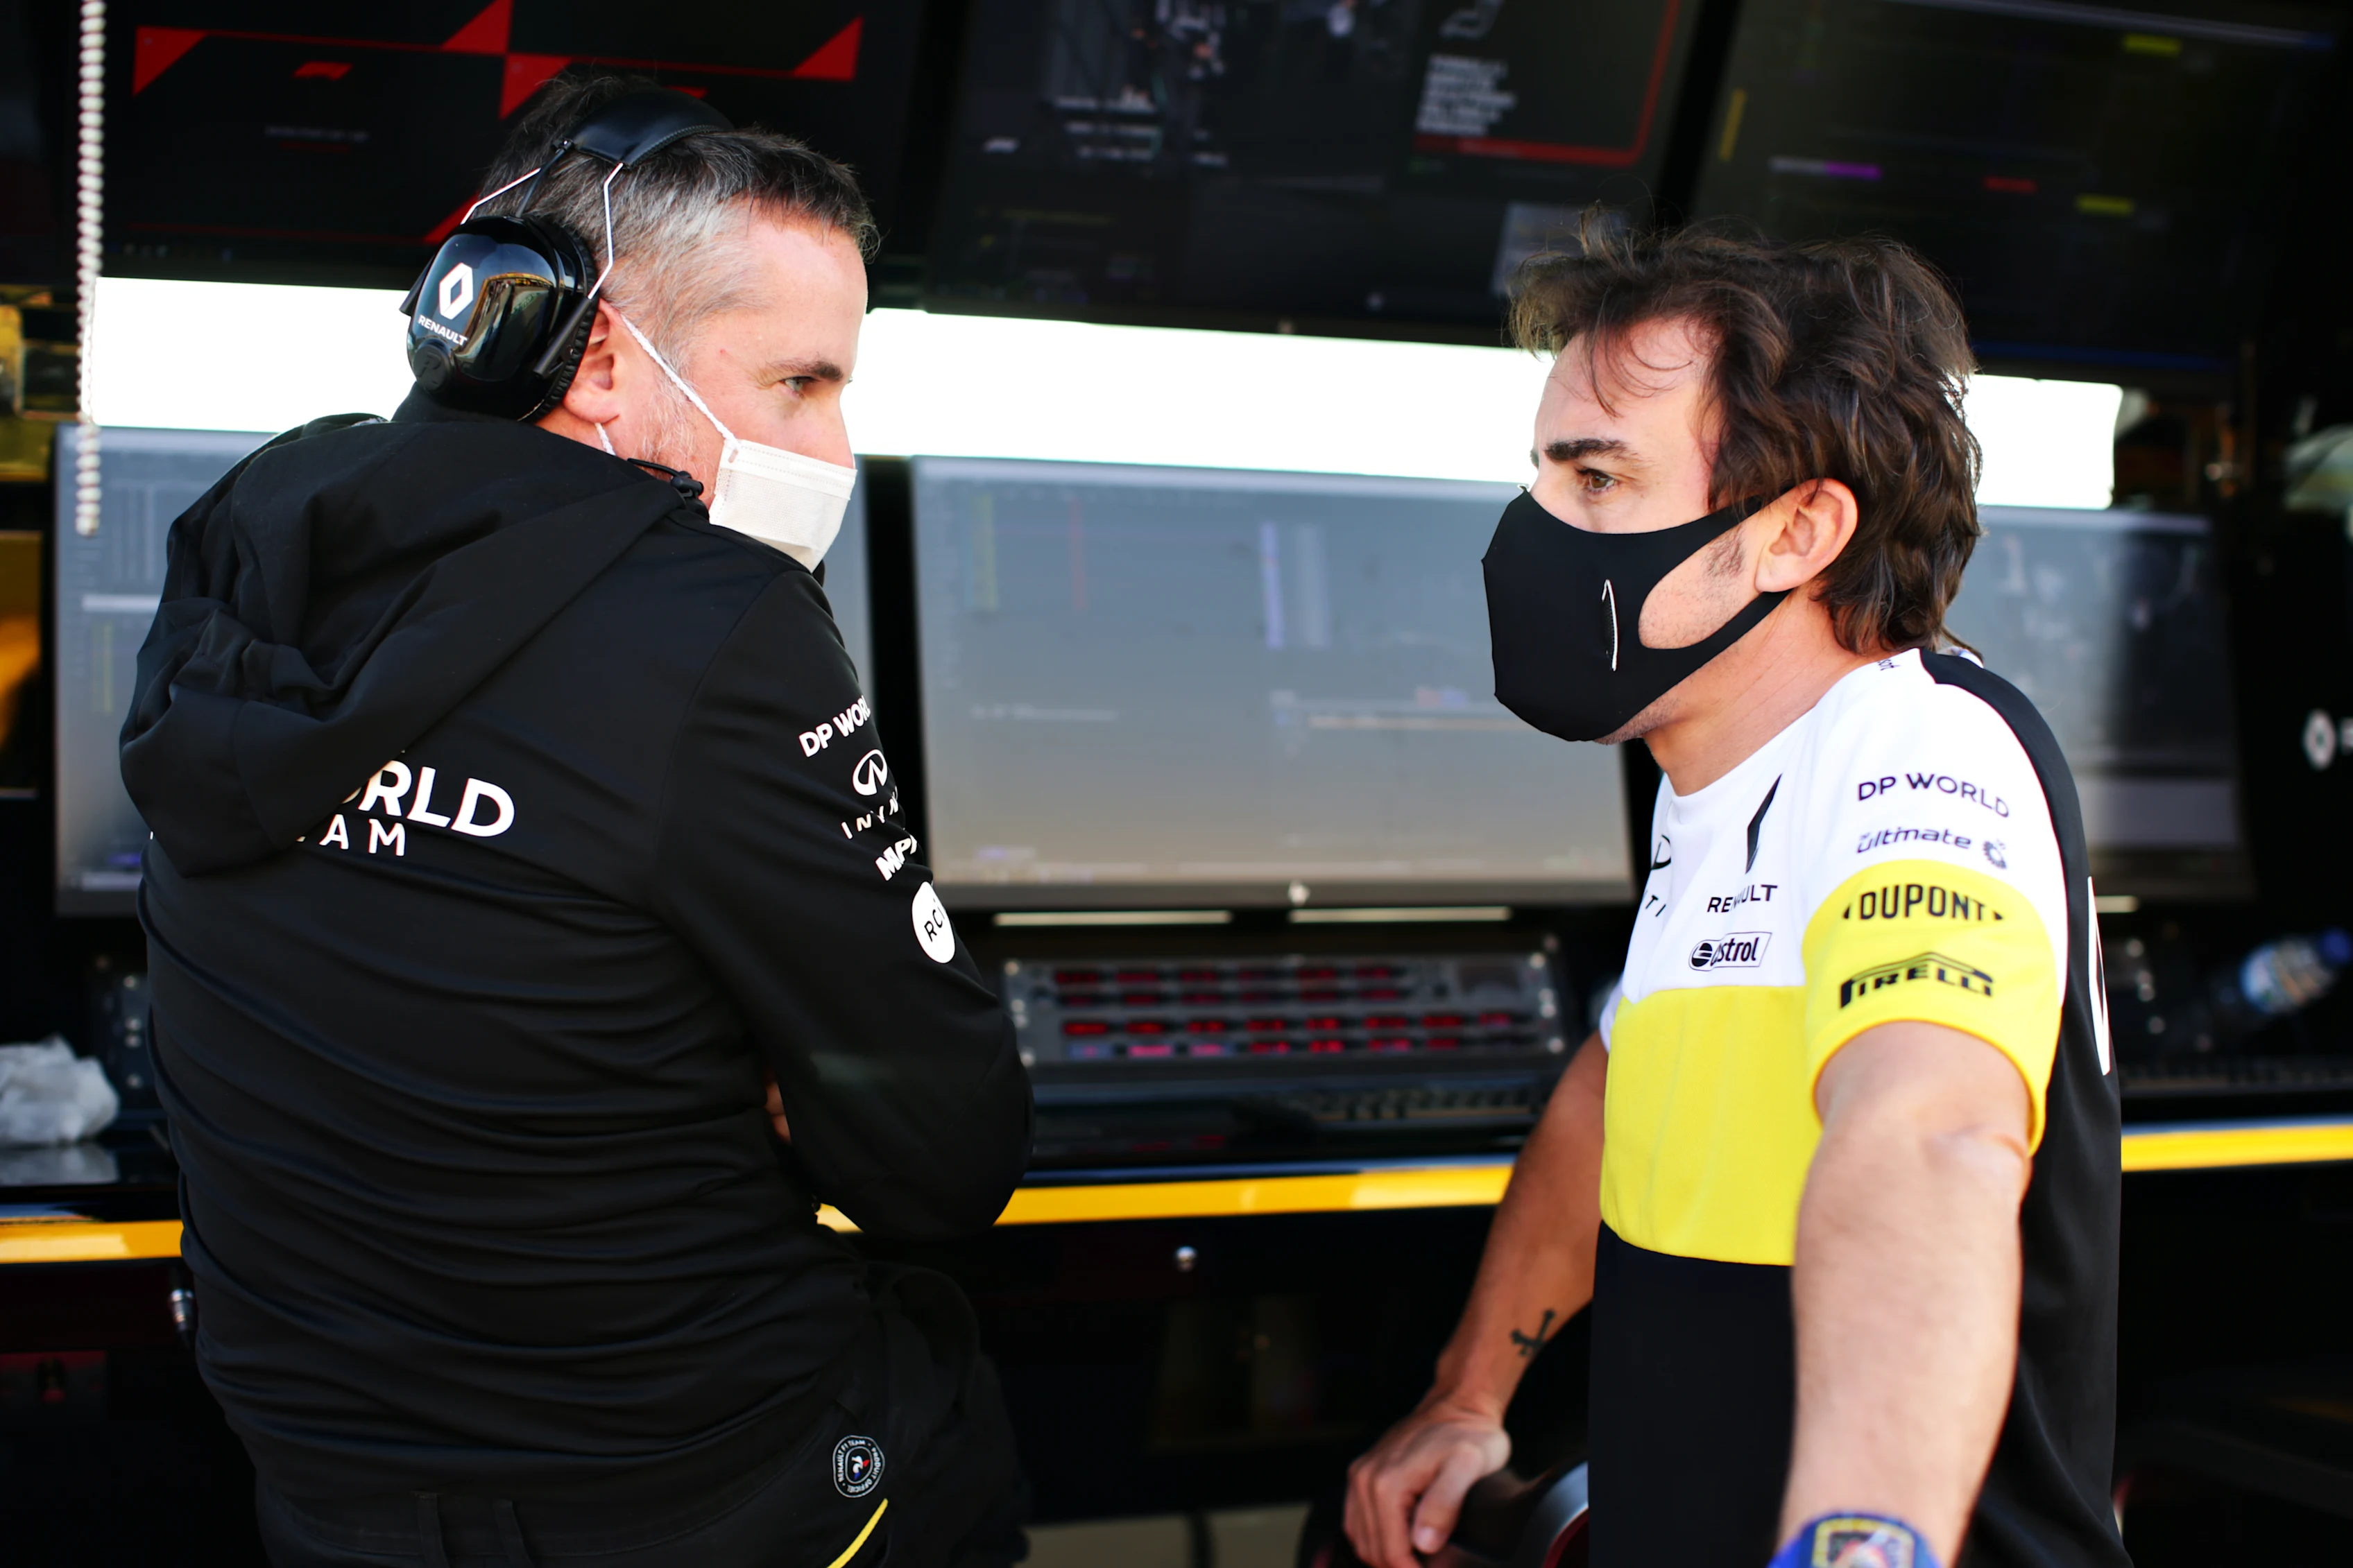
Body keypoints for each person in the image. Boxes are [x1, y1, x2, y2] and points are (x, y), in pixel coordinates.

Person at [120, 74, 1032, 1568]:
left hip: (326, 1500)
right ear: (597, 357)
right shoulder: (717, 623)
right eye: (801, 381)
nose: (837, 445)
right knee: (954, 1395)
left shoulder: (251, 526)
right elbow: (942, 1153)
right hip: (686, 1493)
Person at [1344, 221, 2126, 1568]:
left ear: (1796, 530)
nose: (1537, 531)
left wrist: (1857, 1546)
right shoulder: (1710, 784)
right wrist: (1469, 1395)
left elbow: (1926, 1140)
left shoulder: (1917, 751)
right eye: (1541, 477)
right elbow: (1618, 1085)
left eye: (1596, 481)